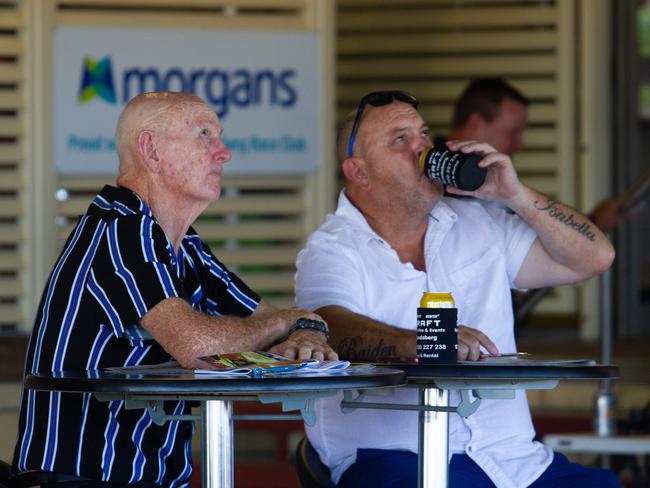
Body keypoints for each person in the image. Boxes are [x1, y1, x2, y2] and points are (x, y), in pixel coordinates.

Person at [295, 90, 621, 487]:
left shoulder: (479, 221)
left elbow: (595, 257)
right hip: (396, 458)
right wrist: (428, 342)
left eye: (424, 134)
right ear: (359, 171)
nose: (422, 149)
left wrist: (514, 195)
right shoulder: (332, 247)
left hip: (513, 460)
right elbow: (329, 327)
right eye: (401, 140)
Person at [12, 92, 336, 487]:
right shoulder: (121, 229)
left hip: (154, 476)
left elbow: (267, 317)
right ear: (151, 151)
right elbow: (197, 346)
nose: (224, 153)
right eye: (204, 135)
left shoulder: (183, 244)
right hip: (80, 477)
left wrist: (303, 330)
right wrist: (286, 324)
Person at [446, 77, 642, 325]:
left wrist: (594, 221)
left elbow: (551, 249)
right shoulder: (430, 185)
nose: (521, 143)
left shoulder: (492, 180)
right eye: (513, 131)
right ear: (475, 124)